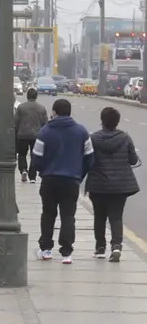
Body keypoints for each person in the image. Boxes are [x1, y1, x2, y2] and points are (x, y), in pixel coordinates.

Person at [31, 99, 94, 263]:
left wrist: (43, 171)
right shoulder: (81, 131)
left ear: (54, 112)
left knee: (48, 214)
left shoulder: (45, 131)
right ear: (69, 112)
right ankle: (66, 252)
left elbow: (36, 157)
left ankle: (46, 249)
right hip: (71, 180)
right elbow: (89, 157)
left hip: (50, 179)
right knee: (68, 216)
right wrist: (79, 174)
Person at [85, 107, 139, 262]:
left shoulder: (93, 139)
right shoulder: (125, 138)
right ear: (117, 121)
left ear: (102, 121)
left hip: (98, 184)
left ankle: (100, 247)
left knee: (99, 217)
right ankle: (116, 247)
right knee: (116, 217)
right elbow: (133, 160)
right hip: (120, 185)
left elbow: (88, 159)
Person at [14, 88, 48, 183]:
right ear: (36, 96)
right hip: (37, 135)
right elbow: (45, 123)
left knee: (22, 154)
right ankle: (32, 176)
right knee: (34, 155)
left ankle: (23, 170)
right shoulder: (41, 108)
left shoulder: (21, 107)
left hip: (22, 134)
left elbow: (15, 122)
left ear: (27, 96)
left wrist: (17, 130)